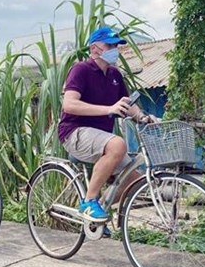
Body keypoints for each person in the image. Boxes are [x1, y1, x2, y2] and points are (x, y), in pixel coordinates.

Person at [57, 27, 154, 222]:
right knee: (118, 144)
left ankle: (96, 213)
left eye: (116, 46)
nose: (114, 49)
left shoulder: (114, 75)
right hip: (74, 132)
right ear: (94, 49)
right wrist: (108, 109)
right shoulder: (81, 70)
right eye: (109, 45)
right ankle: (89, 202)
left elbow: (127, 104)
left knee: (135, 181)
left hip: (101, 137)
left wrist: (144, 117)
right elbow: (69, 104)